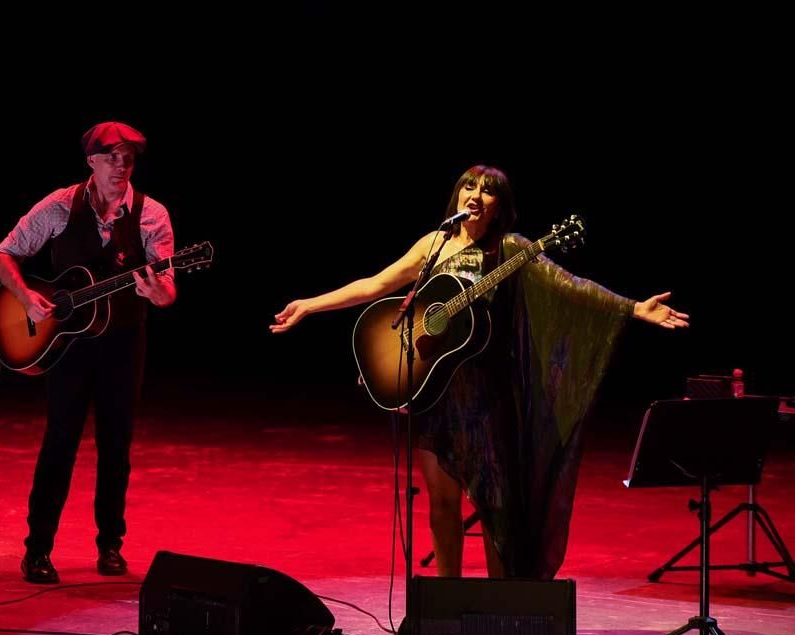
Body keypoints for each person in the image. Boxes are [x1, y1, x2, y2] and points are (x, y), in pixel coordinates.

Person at [271, 165, 689, 579]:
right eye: (469, 186)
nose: (475, 195)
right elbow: (376, 284)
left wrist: (632, 307)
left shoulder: (508, 248)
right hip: (433, 393)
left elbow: (570, 285)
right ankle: (446, 603)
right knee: (440, 504)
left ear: (498, 208)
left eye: (488, 192)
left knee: (495, 507)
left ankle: (496, 607)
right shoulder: (434, 244)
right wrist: (310, 304)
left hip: (484, 398)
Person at [0, 121, 176, 583]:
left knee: (117, 446)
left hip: (123, 342)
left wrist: (159, 293)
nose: (121, 165)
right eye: (112, 156)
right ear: (91, 161)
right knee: (60, 444)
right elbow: (5, 254)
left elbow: (168, 288)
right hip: (69, 346)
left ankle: (110, 545)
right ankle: (37, 550)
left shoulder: (151, 214)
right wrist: (22, 295)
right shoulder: (59, 205)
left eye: (128, 158)